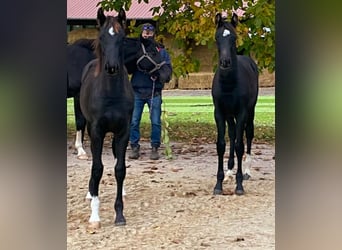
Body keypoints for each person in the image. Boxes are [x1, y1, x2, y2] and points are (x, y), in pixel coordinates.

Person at [129, 23, 172, 160]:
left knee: (155, 122)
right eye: (145, 32)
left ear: (154, 33)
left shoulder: (161, 51)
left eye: (150, 32)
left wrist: (162, 76)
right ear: (141, 33)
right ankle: (134, 146)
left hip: (154, 91)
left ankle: (155, 147)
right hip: (137, 90)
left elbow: (167, 68)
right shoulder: (136, 49)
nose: (147, 34)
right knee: (134, 121)